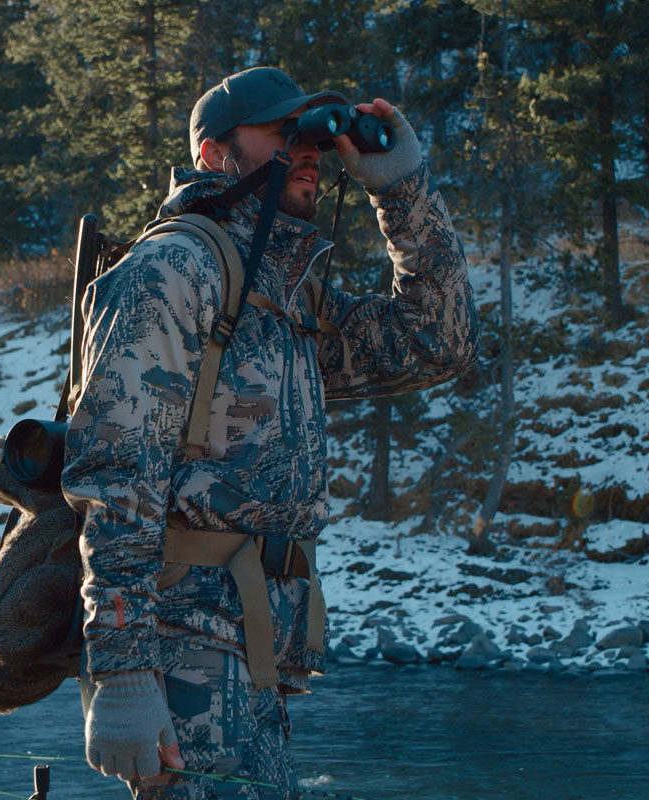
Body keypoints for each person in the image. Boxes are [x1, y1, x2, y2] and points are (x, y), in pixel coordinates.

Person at [61, 66, 479, 799]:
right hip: (182, 643)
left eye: (309, 132)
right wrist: (123, 672)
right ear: (213, 154)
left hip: (260, 648)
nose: (306, 149)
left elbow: (435, 341)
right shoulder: (173, 269)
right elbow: (115, 478)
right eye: (282, 132)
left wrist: (401, 190)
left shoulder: (287, 296)